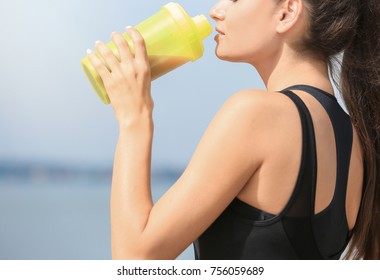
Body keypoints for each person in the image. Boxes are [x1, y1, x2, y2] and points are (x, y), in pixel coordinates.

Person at [86, 0, 379, 259]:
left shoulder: (256, 113)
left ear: (287, 13)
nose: (216, 10)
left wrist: (134, 116)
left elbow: (135, 258)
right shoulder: (356, 139)